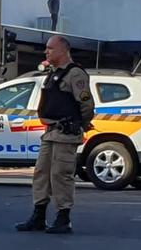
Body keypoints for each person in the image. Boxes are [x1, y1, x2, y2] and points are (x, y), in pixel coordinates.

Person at [16, 35, 94, 234]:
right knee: (41, 174)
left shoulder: (75, 74)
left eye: (50, 48)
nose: (46, 52)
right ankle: (38, 215)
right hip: (50, 133)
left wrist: (80, 124)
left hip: (66, 133)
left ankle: (63, 217)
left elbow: (86, 104)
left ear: (63, 50)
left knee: (61, 175)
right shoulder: (52, 74)